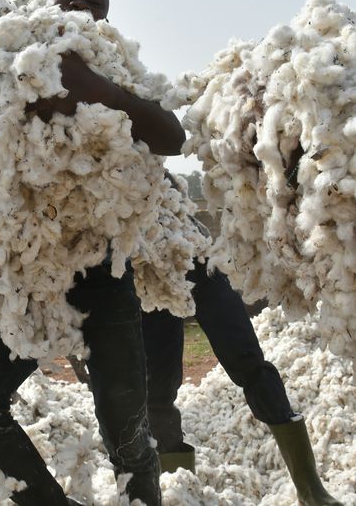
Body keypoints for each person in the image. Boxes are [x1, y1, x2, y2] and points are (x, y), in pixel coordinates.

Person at [0, 0, 183, 506]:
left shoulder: (120, 70)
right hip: (29, 275)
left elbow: (172, 134)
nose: (79, 7)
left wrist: (93, 90)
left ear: (105, 17)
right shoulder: (10, 56)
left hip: (103, 276)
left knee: (126, 426)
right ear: (45, 3)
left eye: (92, 2)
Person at [141, 202, 340, 505]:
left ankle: (311, 489)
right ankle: (179, 493)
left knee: (249, 363)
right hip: (143, 269)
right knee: (157, 389)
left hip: (190, 248)